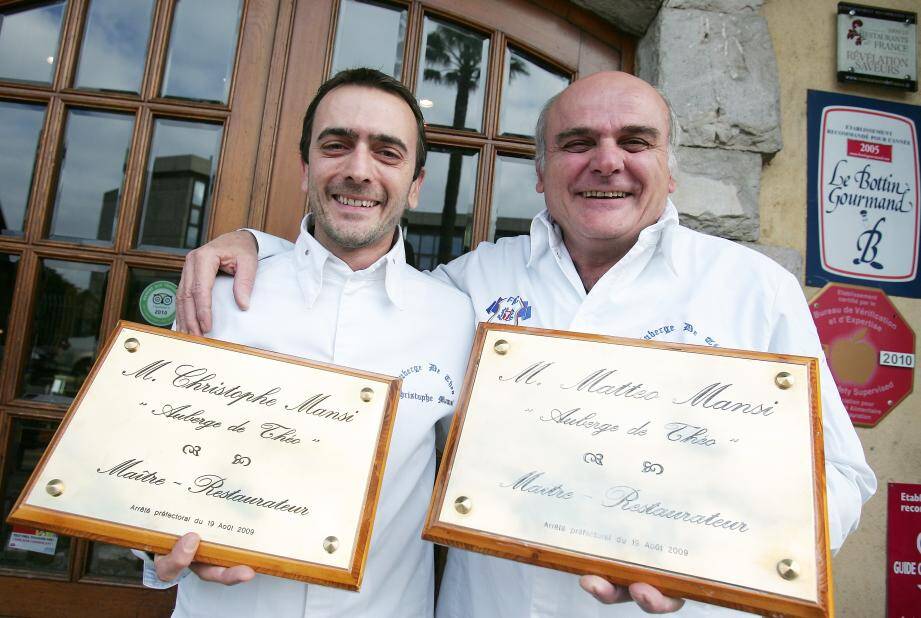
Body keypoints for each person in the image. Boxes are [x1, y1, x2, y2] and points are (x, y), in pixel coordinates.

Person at [175, 71, 876, 617]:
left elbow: (840, 478)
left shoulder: (752, 289)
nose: (606, 162)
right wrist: (261, 247)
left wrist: (721, 560)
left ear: (670, 167)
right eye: (577, 144)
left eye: (633, 142)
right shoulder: (470, 285)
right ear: (540, 173)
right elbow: (352, 277)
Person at [134, 68, 477, 617]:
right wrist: (157, 547)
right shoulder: (216, 294)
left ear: (416, 184)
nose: (358, 170)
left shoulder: (455, 316)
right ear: (305, 168)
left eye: (387, 153)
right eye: (336, 146)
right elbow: (152, 459)